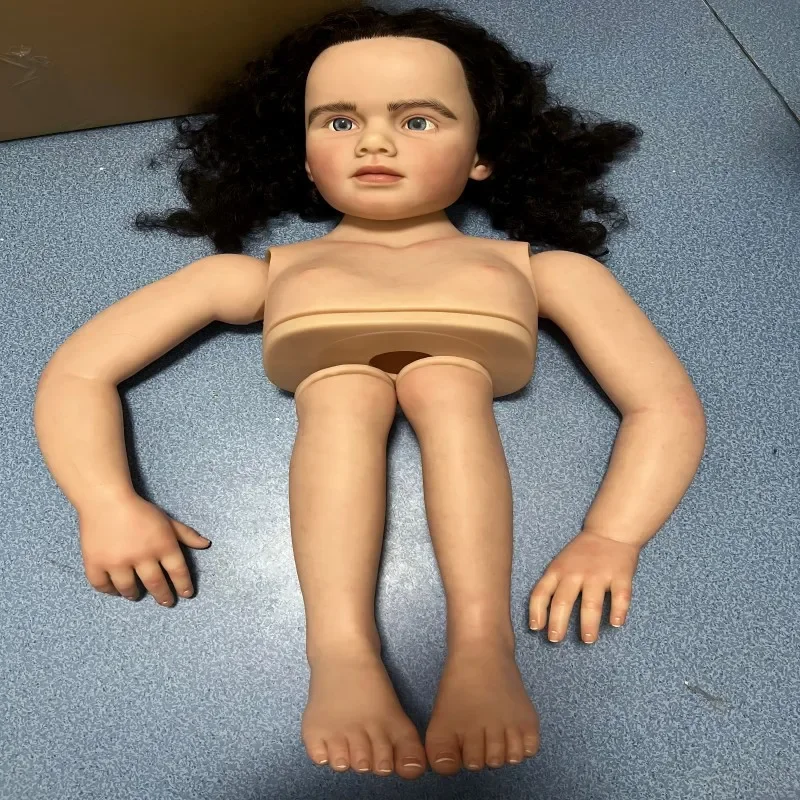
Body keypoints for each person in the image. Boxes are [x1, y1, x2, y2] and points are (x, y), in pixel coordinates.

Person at [33, 4, 706, 782]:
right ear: (304, 158)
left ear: (481, 155)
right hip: (335, 391)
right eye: (340, 121)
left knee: (446, 382)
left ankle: (483, 646)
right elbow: (80, 370)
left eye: (417, 120)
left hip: (460, 385)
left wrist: (612, 536)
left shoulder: (542, 272)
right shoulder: (260, 276)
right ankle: (340, 654)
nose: (375, 142)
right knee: (343, 394)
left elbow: (662, 403)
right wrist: (105, 500)